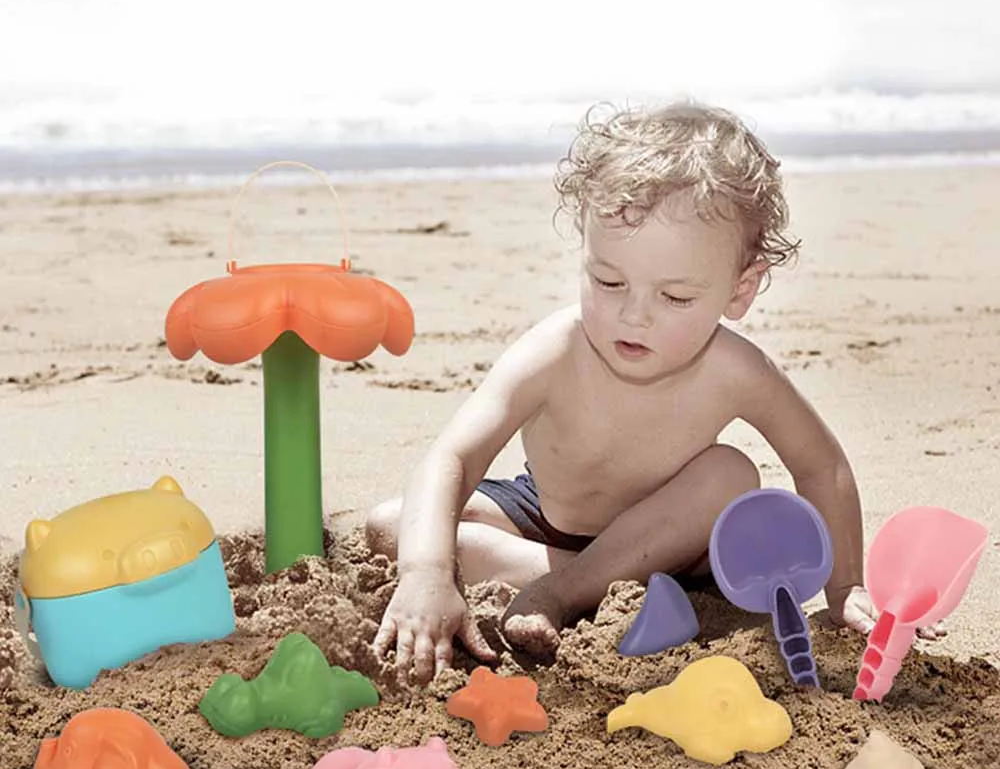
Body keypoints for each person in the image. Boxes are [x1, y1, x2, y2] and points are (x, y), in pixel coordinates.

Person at [365, 100, 942, 686]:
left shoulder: (734, 369)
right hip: (549, 519)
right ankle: (606, 582)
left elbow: (821, 464)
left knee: (731, 473)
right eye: (608, 281)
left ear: (740, 290)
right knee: (392, 525)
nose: (634, 315)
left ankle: (565, 590)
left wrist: (846, 588)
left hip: (677, 544)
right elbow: (454, 456)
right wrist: (426, 574)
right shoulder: (556, 348)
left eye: (675, 298)